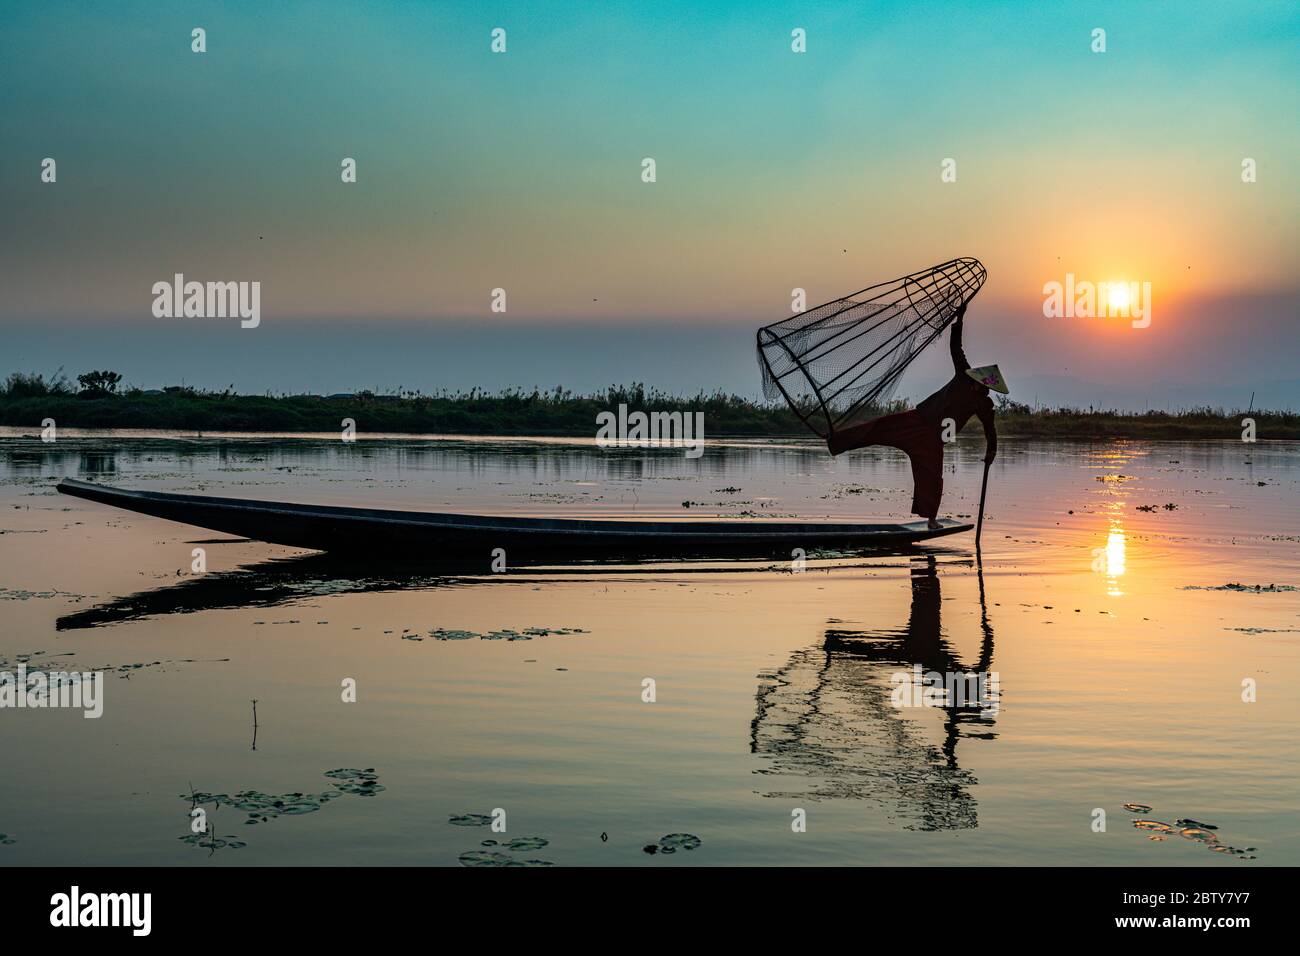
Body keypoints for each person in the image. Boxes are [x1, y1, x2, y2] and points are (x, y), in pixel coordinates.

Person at [826, 306, 1006, 529]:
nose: (982, 388)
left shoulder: (984, 404)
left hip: (934, 439)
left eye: (985, 387)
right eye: (981, 384)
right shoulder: (964, 374)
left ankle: (931, 519)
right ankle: (835, 440)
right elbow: (956, 348)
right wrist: (960, 318)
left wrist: (991, 452)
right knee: (879, 427)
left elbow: (991, 431)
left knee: (932, 477)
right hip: (918, 419)